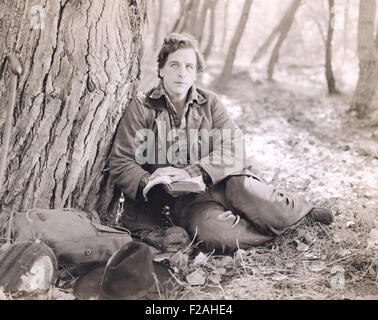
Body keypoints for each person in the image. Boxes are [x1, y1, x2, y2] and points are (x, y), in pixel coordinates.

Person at [109, 33, 334, 252]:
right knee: (217, 236)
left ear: (196, 73)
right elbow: (121, 161)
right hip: (186, 202)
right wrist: (150, 181)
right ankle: (279, 228)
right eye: (174, 65)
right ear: (161, 69)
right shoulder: (142, 107)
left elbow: (234, 147)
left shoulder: (210, 102)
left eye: (189, 67)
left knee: (273, 209)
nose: (182, 73)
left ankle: (301, 214)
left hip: (227, 182)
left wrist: (194, 171)